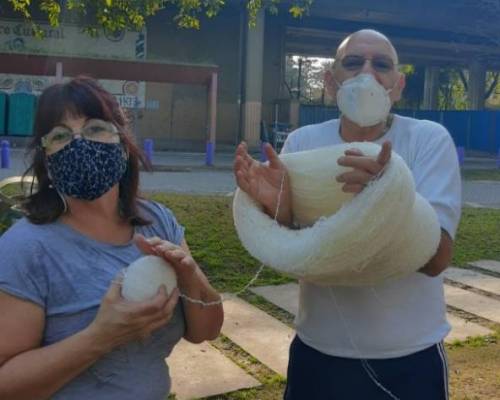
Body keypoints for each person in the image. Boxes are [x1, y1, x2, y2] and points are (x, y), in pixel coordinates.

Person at [234, 29, 461, 400]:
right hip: (318, 354)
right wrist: (281, 208)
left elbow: (437, 259)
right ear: (329, 80)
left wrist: (387, 200)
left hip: (409, 357)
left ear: (398, 85)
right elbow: (299, 249)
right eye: (353, 63)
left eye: (382, 65)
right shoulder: (302, 143)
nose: (367, 74)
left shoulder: (428, 140)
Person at [0, 76, 223, 400]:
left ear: (122, 140)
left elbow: (207, 331)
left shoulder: (158, 221)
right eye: (61, 135)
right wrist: (100, 337)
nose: (80, 143)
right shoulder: (26, 248)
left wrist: (191, 275)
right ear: (46, 158)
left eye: (95, 128)